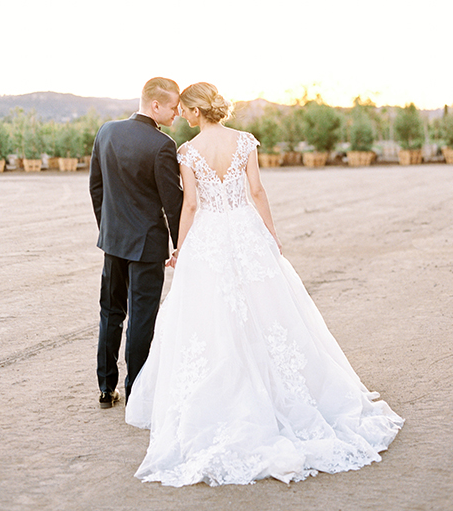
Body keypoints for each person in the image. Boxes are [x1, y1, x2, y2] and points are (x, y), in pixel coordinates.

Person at [125, 82, 403, 486]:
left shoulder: (188, 152)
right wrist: (270, 236)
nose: (183, 115)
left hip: (210, 237)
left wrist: (181, 248)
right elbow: (257, 190)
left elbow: (190, 204)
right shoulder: (244, 142)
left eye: (186, 109)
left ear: (197, 112)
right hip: (245, 231)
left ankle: (227, 399)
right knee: (269, 312)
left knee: (211, 317)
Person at [89, 77, 183, 409]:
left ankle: (105, 387)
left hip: (113, 242)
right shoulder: (162, 145)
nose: (178, 113)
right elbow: (173, 203)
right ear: (155, 105)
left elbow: (96, 188)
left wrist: (110, 230)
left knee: (110, 312)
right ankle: (136, 392)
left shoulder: (106, 131)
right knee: (142, 318)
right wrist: (180, 245)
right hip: (147, 247)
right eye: (174, 107)